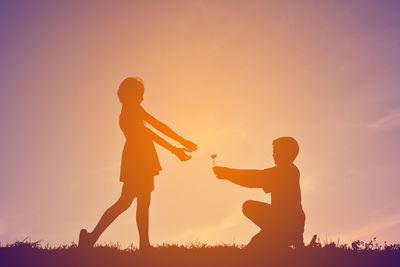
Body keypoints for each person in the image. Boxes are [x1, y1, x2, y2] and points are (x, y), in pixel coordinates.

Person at [79, 77, 197, 250]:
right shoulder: (130, 111)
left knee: (140, 200)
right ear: (130, 94)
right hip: (138, 158)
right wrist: (177, 146)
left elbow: (154, 128)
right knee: (127, 201)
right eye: (139, 94)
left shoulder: (132, 109)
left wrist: (178, 145)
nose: (142, 98)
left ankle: (141, 244)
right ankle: (93, 238)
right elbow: (152, 130)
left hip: (142, 157)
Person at [213, 137, 305, 249]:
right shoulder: (290, 171)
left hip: (285, 222)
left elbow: (255, 178)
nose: (273, 155)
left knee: (249, 206)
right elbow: (257, 178)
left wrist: (228, 174)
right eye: (273, 152)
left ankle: (284, 237)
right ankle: (285, 239)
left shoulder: (284, 171)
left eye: (276, 151)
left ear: (287, 153)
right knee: (253, 248)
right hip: (291, 222)